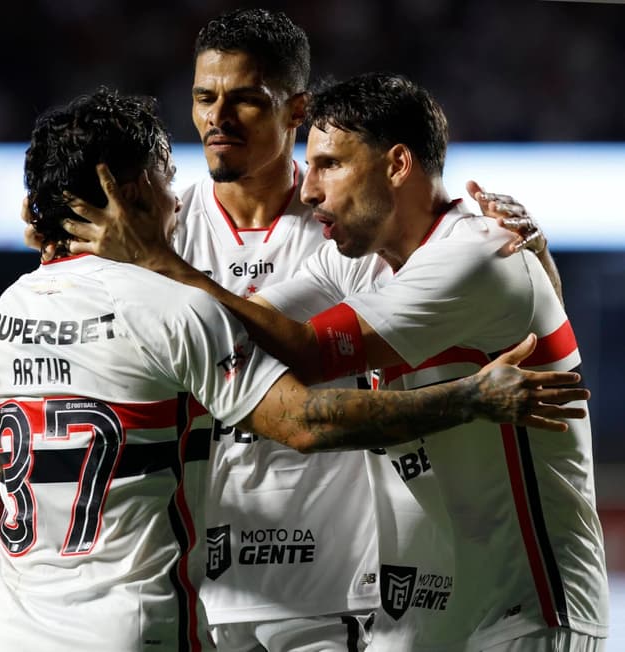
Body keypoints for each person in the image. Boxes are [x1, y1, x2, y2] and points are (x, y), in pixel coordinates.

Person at [0, 88, 587, 652]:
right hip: (139, 629)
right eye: (167, 179)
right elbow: (303, 420)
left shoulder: (11, 311)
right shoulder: (171, 313)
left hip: (18, 631)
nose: (181, 198)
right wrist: (468, 399)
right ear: (133, 189)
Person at [59, 74, 607, 651]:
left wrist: (159, 258)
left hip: (530, 611)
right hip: (431, 615)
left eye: (330, 166)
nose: (311, 190)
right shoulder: (361, 265)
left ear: (396, 164)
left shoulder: (475, 256)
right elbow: (243, 324)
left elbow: (306, 350)